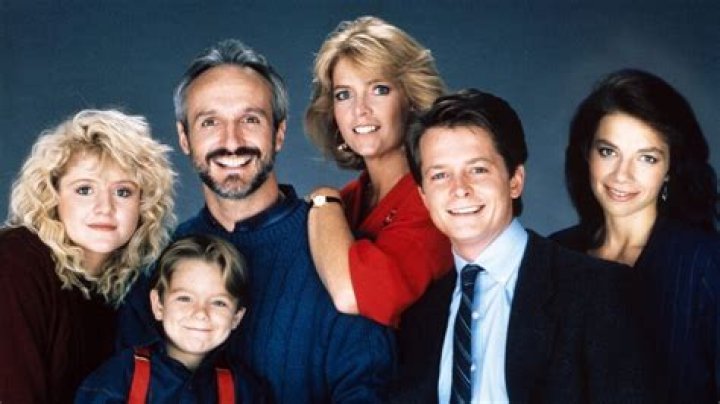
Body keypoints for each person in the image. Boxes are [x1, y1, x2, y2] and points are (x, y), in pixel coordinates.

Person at [116, 39, 394, 403]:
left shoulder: (340, 257)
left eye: (250, 120)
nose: (232, 141)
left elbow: (368, 390)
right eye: (210, 122)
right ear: (185, 138)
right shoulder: (158, 265)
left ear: (278, 133)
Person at [405, 89, 653, 403]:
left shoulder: (597, 290)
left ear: (515, 181)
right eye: (440, 175)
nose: (460, 189)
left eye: (478, 169)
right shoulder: (420, 316)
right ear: (424, 197)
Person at [550, 69, 720, 403]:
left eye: (647, 158)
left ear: (670, 168)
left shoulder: (705, 264)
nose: (622, 175)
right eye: (608, 152)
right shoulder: (555, 254)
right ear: (586, 153)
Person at [0, 109, 175, 404]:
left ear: (144, 205)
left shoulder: (124, 289)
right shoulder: (15, 262)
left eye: (123, 192)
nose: (104, 207)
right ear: (52, 196)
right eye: (84, 189)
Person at [305, 15, 452, 327]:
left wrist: (322, 198)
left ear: (411, 100)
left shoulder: (433, 199)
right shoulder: (348, 202)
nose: (360, 110)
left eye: (379, 89)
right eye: (344, 94)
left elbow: (352, 295)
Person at [76, 235, 267, 402]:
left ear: (236, 317)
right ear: (158, 305)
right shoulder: (117, 380)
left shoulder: (246, 392)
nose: (201, 313)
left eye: (218, 303)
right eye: (184, 298)